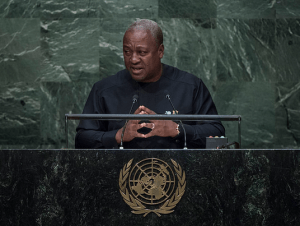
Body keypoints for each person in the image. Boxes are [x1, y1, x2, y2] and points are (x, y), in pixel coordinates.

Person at [75, 19, 225, 149]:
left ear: (160, 51)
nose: (133, 59)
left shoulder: (190, 86)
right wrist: (117, 135)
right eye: (127, 52)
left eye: (141, 52)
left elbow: (216, 132)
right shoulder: (104, 90)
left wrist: (177, 129)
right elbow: (81, 139)